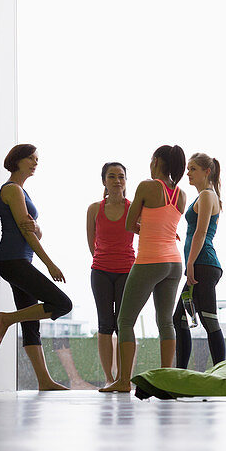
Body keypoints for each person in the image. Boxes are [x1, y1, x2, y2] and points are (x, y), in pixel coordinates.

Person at [101, 145, 186, 393]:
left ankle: (123, 381)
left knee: (125, 320)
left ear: (157, 161)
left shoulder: (147, 186)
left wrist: (143, 228)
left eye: (152, 159)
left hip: (150, 260)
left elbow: (129, 223)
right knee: (165, 322)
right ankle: (166, 379)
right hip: (174, 263)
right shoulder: (180, 193)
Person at [0, 143, 73, 390]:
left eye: (37, 159)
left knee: (32, 323)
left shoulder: (22, 192)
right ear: (17, 160)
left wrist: (37, 227)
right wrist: (50, 264)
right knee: (62, 303)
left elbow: (35, 229)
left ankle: (44, 381)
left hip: (19, 261)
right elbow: (27, 234)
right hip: (12, 261)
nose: (35, 162)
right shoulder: (13, 190)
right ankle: (6, 319)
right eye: (30, 158)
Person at [86, 161, 137, 388]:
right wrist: (103, 260)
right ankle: (108, 378)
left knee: (124, 324)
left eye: (121, 176)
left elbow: (147, 231)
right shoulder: (94, 209)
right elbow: (92, 242)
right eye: (112, 176)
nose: (117, 180)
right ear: (104, 181)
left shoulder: (133, 207)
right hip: (101, 272)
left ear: (126, 180)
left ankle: (123, 378)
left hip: (127, 271)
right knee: (105, 325)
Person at [174, 152, 226, 369]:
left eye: (193, 168)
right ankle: (182, 372)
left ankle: (223, 372)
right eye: (188, 169)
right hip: (201, 265)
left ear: (207, 171)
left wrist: (190, 265)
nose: (188, 172)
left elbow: (201, 232)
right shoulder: (204, 196)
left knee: (207, 319)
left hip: (203, 265)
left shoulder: (207, 195)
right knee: (181, 319)